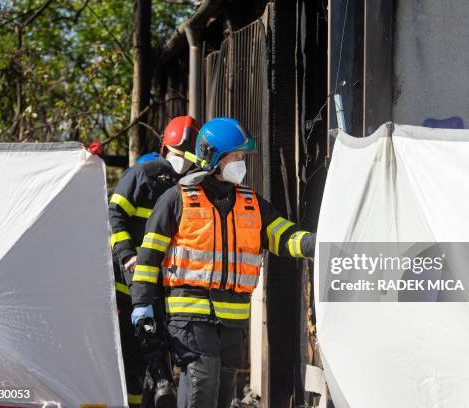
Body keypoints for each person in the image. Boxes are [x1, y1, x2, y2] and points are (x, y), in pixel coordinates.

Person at [130, 117, 316, 408]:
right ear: (213, 157)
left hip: (232, 320)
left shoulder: (251, 203)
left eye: (243, 156)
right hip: (190, 317)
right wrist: (142, 304)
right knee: (200, 386)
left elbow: (282, 235)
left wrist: (314, 244)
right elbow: (148, 257)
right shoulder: (176, 200)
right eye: (235, 156)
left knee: (221, 394)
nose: (241, 162)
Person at [109, 115, 200, 407]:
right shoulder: (143, 174)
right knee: (139, 344)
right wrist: (127, 255)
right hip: (132, 278)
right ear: (166, 149)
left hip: (168, 281)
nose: (183, 159)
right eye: (178, 152)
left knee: (156, 339)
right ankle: (154, 387)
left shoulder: (193, 184)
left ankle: (157, 388)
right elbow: (115, 214)